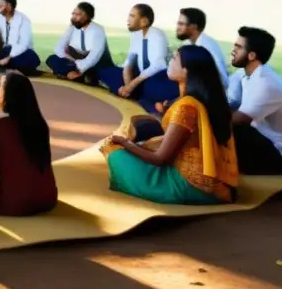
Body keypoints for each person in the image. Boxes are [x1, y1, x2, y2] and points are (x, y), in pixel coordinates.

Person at [101, 45, 238, 205]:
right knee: (143, 142)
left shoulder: (187, 107)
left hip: (189, 185)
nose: (169, 62)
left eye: (174, 59)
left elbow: (160, 159)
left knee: (113, 149)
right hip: (212, 180)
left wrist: (126, 143)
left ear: (187, 71)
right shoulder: (208, 100)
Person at [0, 71, 57, 216]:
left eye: (1, 87)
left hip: (13, 205)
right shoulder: (40, 124)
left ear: (10, 95)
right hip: (47, 199)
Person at [229, 27, 282, 175]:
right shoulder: (245, 74)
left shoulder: (266, 83)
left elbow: (238, 120)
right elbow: (226, 100)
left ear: (251, 55)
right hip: (263, 140)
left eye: (238, 47)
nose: (232, 51)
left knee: (223, 129)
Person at [97, 4, 175, 113]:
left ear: (144, 21)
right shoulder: (136, 34)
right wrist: (127, 85)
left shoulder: (157, 35)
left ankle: (148, 99)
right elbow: (129, 63)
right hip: (139, 77)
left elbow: (159, 65)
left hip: (157, 76)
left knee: (151, 86)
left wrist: (133, 84)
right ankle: (141, 97)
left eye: (132, 16)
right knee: (105, 72)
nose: (128, 20)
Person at [45, 2, 114, 84]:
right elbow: (58, 48)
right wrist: (70, 59)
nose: (74, 17)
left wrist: (80, 69)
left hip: (95, 63)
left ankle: (69, 73)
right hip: (74, 61)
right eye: (73, 14)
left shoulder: (98, 30)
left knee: (98, 70)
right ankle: (71, 74)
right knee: (51, 59)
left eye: (78, 15)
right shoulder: (72, 27)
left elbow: (95, 56)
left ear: (87, 16)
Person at [176, 8, 230, 87]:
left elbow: (223, 81)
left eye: (181, 24)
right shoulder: (188, 43)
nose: (177, 28)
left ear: (194, 26)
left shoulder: (207, 47)